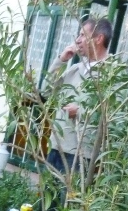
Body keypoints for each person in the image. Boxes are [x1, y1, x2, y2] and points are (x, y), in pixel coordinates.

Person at [45, 17, 112, 176]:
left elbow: (113, 113)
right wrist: (61, 60)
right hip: (57, 146)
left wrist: (80, 111)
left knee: (70, 193)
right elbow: (46, 91)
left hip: (81, 153)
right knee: (46, 192)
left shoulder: (112, 73)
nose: (77, 40)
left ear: (99, 39)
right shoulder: (75, 68)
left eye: (82, 35)